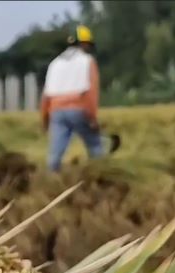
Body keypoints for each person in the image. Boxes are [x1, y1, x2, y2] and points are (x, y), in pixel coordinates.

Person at [41, 25, 120, 172]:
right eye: (88, 45)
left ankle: (50, 179)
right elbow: (91, 93)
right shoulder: (87, 61)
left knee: (55, 153)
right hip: (78, 109)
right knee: (95, 145)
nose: (89, 48)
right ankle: (100, 175)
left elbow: (46, 96)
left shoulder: (55, 63)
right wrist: (92, 119)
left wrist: (45, 119)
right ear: (83, 44)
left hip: (56, 112)